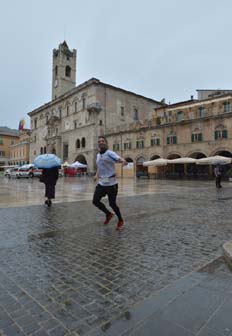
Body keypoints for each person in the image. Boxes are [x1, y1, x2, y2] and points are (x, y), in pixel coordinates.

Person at [92, 136, 128, 230]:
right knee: (95, 201)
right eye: (99, 141)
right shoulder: (98, 155)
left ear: (106, 143)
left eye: (103, 141)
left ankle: (120, 220)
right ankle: (108, 214)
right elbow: (99, 167)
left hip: (111, 184)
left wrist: (123, 161)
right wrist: (96, 175)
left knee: (112, 204)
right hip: (102, 183)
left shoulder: (110, 153)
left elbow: (118, 159)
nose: (101, 142)